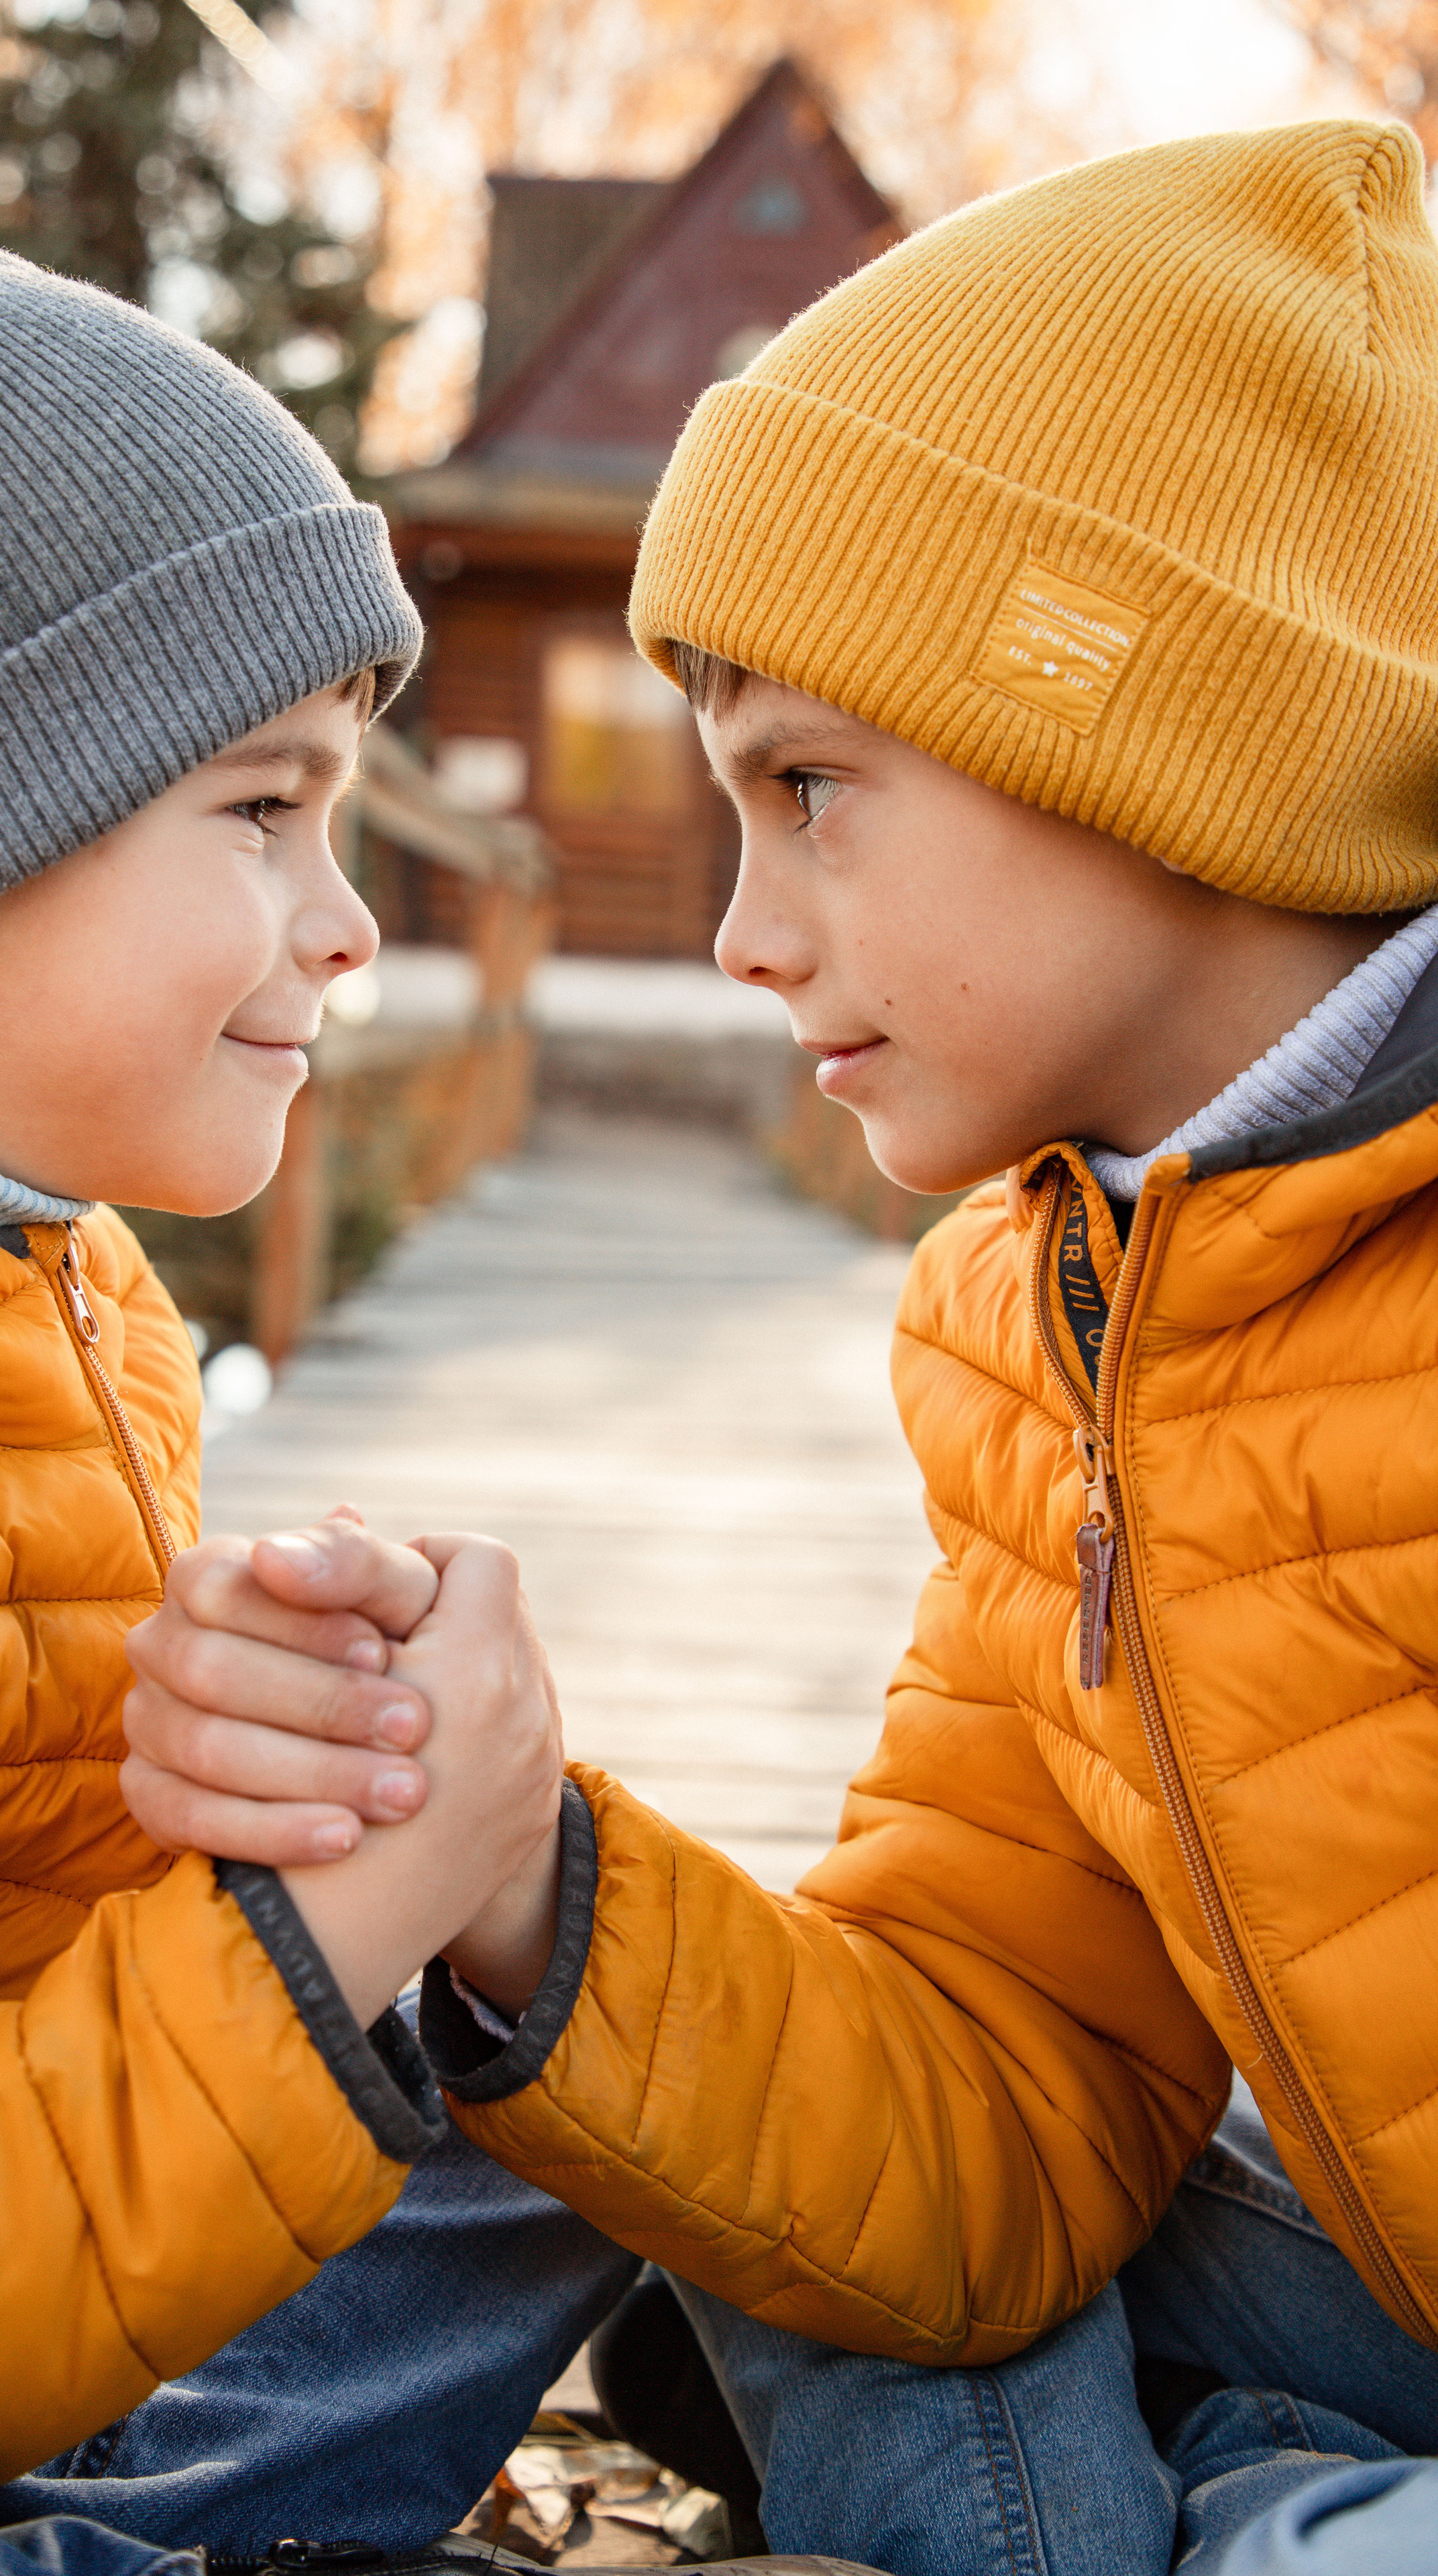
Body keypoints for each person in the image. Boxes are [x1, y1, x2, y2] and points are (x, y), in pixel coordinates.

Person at [117, 121, 1438, 2574]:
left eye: (812, 791)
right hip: (1340, 2267)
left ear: (1143, 735)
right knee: (684, 2147)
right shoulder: (1051, 1324)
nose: (742, 929)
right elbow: (993, 2120)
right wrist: (520, 1881)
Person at [0, 228, 601, 2576]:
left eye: (350, 815)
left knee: (585, 2072)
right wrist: (308, 1956)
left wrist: (312, 1810)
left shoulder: (55, 1273)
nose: (354, 920)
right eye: (259, 808)